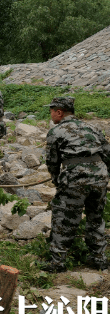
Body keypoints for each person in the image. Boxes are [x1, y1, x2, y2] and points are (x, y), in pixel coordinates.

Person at [39, 97, 110, 273]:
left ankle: (58, 262)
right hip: (99, 175)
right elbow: (107, 153)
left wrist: (57, 180)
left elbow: (52, 161)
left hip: (75, 177)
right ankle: (99, 259)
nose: (51, 114)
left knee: (64, 218)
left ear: (59, 112)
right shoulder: (92, 127)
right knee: (96, 217)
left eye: (51, 111)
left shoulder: (57, 131)